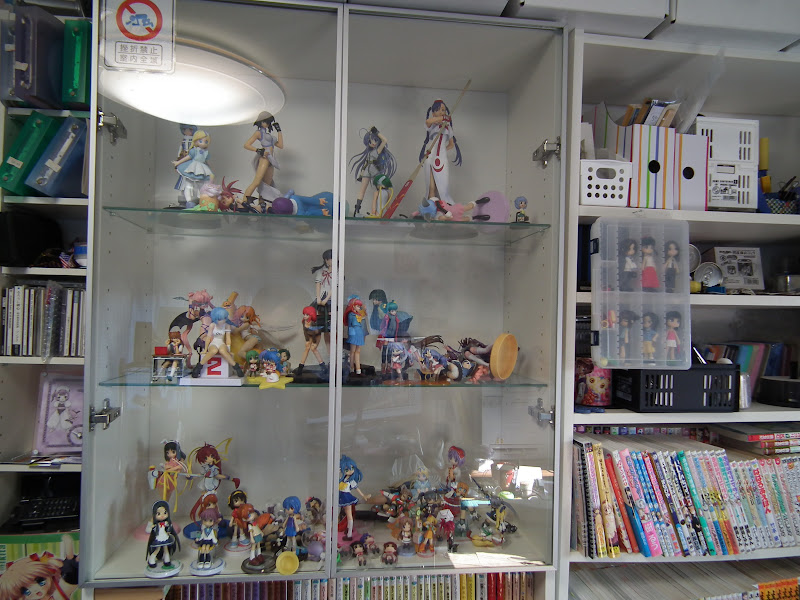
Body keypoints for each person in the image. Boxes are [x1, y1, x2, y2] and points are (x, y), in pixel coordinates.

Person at [0, 535, 78, 600]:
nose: (35, 590)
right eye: (26, 591)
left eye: (41, 581)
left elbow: (67, 585)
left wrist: (70, 570)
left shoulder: (55, 596)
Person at [419, 99, 462, 208]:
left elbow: (451, 144)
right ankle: (431, 210)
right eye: (438, 110)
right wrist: (443, 118)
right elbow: (428, 121)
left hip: (441, 159)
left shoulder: (448, 128)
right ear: (433, 113)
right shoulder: (432, 125)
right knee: (431, 187)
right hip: (430, 157)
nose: (441, 112)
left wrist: (442, 151)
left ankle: (444, 209)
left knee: (443, 187)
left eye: (443, 110)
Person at [349, 126, 397, 217]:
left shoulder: (377, 150)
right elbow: (366, 163)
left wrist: (376, 132)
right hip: (368, 170)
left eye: (375, 140)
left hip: (374, 170)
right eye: (370, 141)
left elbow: (385, 140)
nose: (373, 143)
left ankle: (381, 211)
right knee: (363, 190)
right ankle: (357, 210)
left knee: (381, 189)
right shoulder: (369, 152)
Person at [243, 111, 284, 205]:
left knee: (267, 185)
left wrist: (279, 131)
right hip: (265, 158)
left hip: (271, 160)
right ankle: (244, 202)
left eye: (268, 122)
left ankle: (261, 204)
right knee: (257, 182)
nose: (267, 124)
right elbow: (246, 145)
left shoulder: (269, 135)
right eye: (265, 121)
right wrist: (258, 150)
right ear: (260, 121)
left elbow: (280, 145)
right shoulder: (258, 133)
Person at [191, 307, 245, 378]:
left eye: (224, 318)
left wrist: (228, 349)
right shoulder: (212, 325)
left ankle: (236, 367)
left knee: (223, 351)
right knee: (214, 351)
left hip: (221, 343)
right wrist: (205, 349)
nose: (223, 321)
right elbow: (208, 338)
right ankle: (199, 367)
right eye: (220, 319)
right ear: (216, 318)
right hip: (214, 343)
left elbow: (228, 338)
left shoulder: (226, 325)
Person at [172, 130, 213, 207]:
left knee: (201, 185)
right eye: (201, 141)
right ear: (196, 141)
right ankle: (189, 201)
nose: (203, 143)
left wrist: (209, 171)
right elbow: (187, 157)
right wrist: (178, 162)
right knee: (189, 184)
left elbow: (206, 162)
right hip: (193, 167)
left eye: (206, 141)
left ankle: (201, 200)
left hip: (201, 169)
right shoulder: (194, 150)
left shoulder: (206, 152)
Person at [339, 455, 369, 540]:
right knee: (346, 513)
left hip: (346, 497)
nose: (350, 471)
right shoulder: (342, 479)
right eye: (346, 469)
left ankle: (349, 535)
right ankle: (348, 529)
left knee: (349, 515)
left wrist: (363, 495)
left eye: (352, 468)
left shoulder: (351, 481)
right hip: (341, 496)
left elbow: (357, 488)